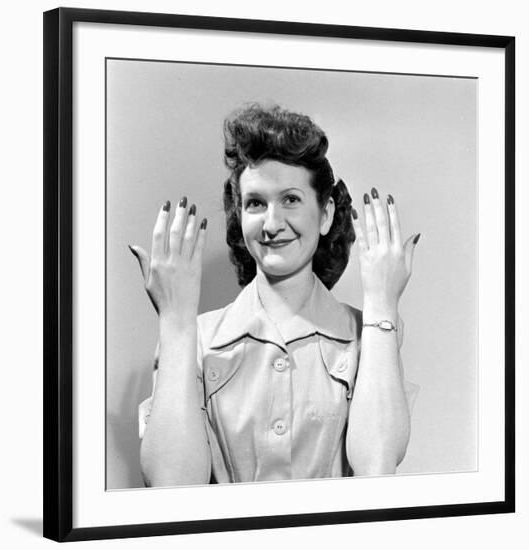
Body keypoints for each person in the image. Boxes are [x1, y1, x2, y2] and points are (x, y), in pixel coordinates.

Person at [130, 104, 419, 487]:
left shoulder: (368, 332)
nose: (271, 223)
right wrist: (175, 321)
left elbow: (377, 467)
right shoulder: (196, 336)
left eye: (291, 200)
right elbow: (171, 485)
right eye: (255, 203)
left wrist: (383, 304)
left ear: (327, 213)